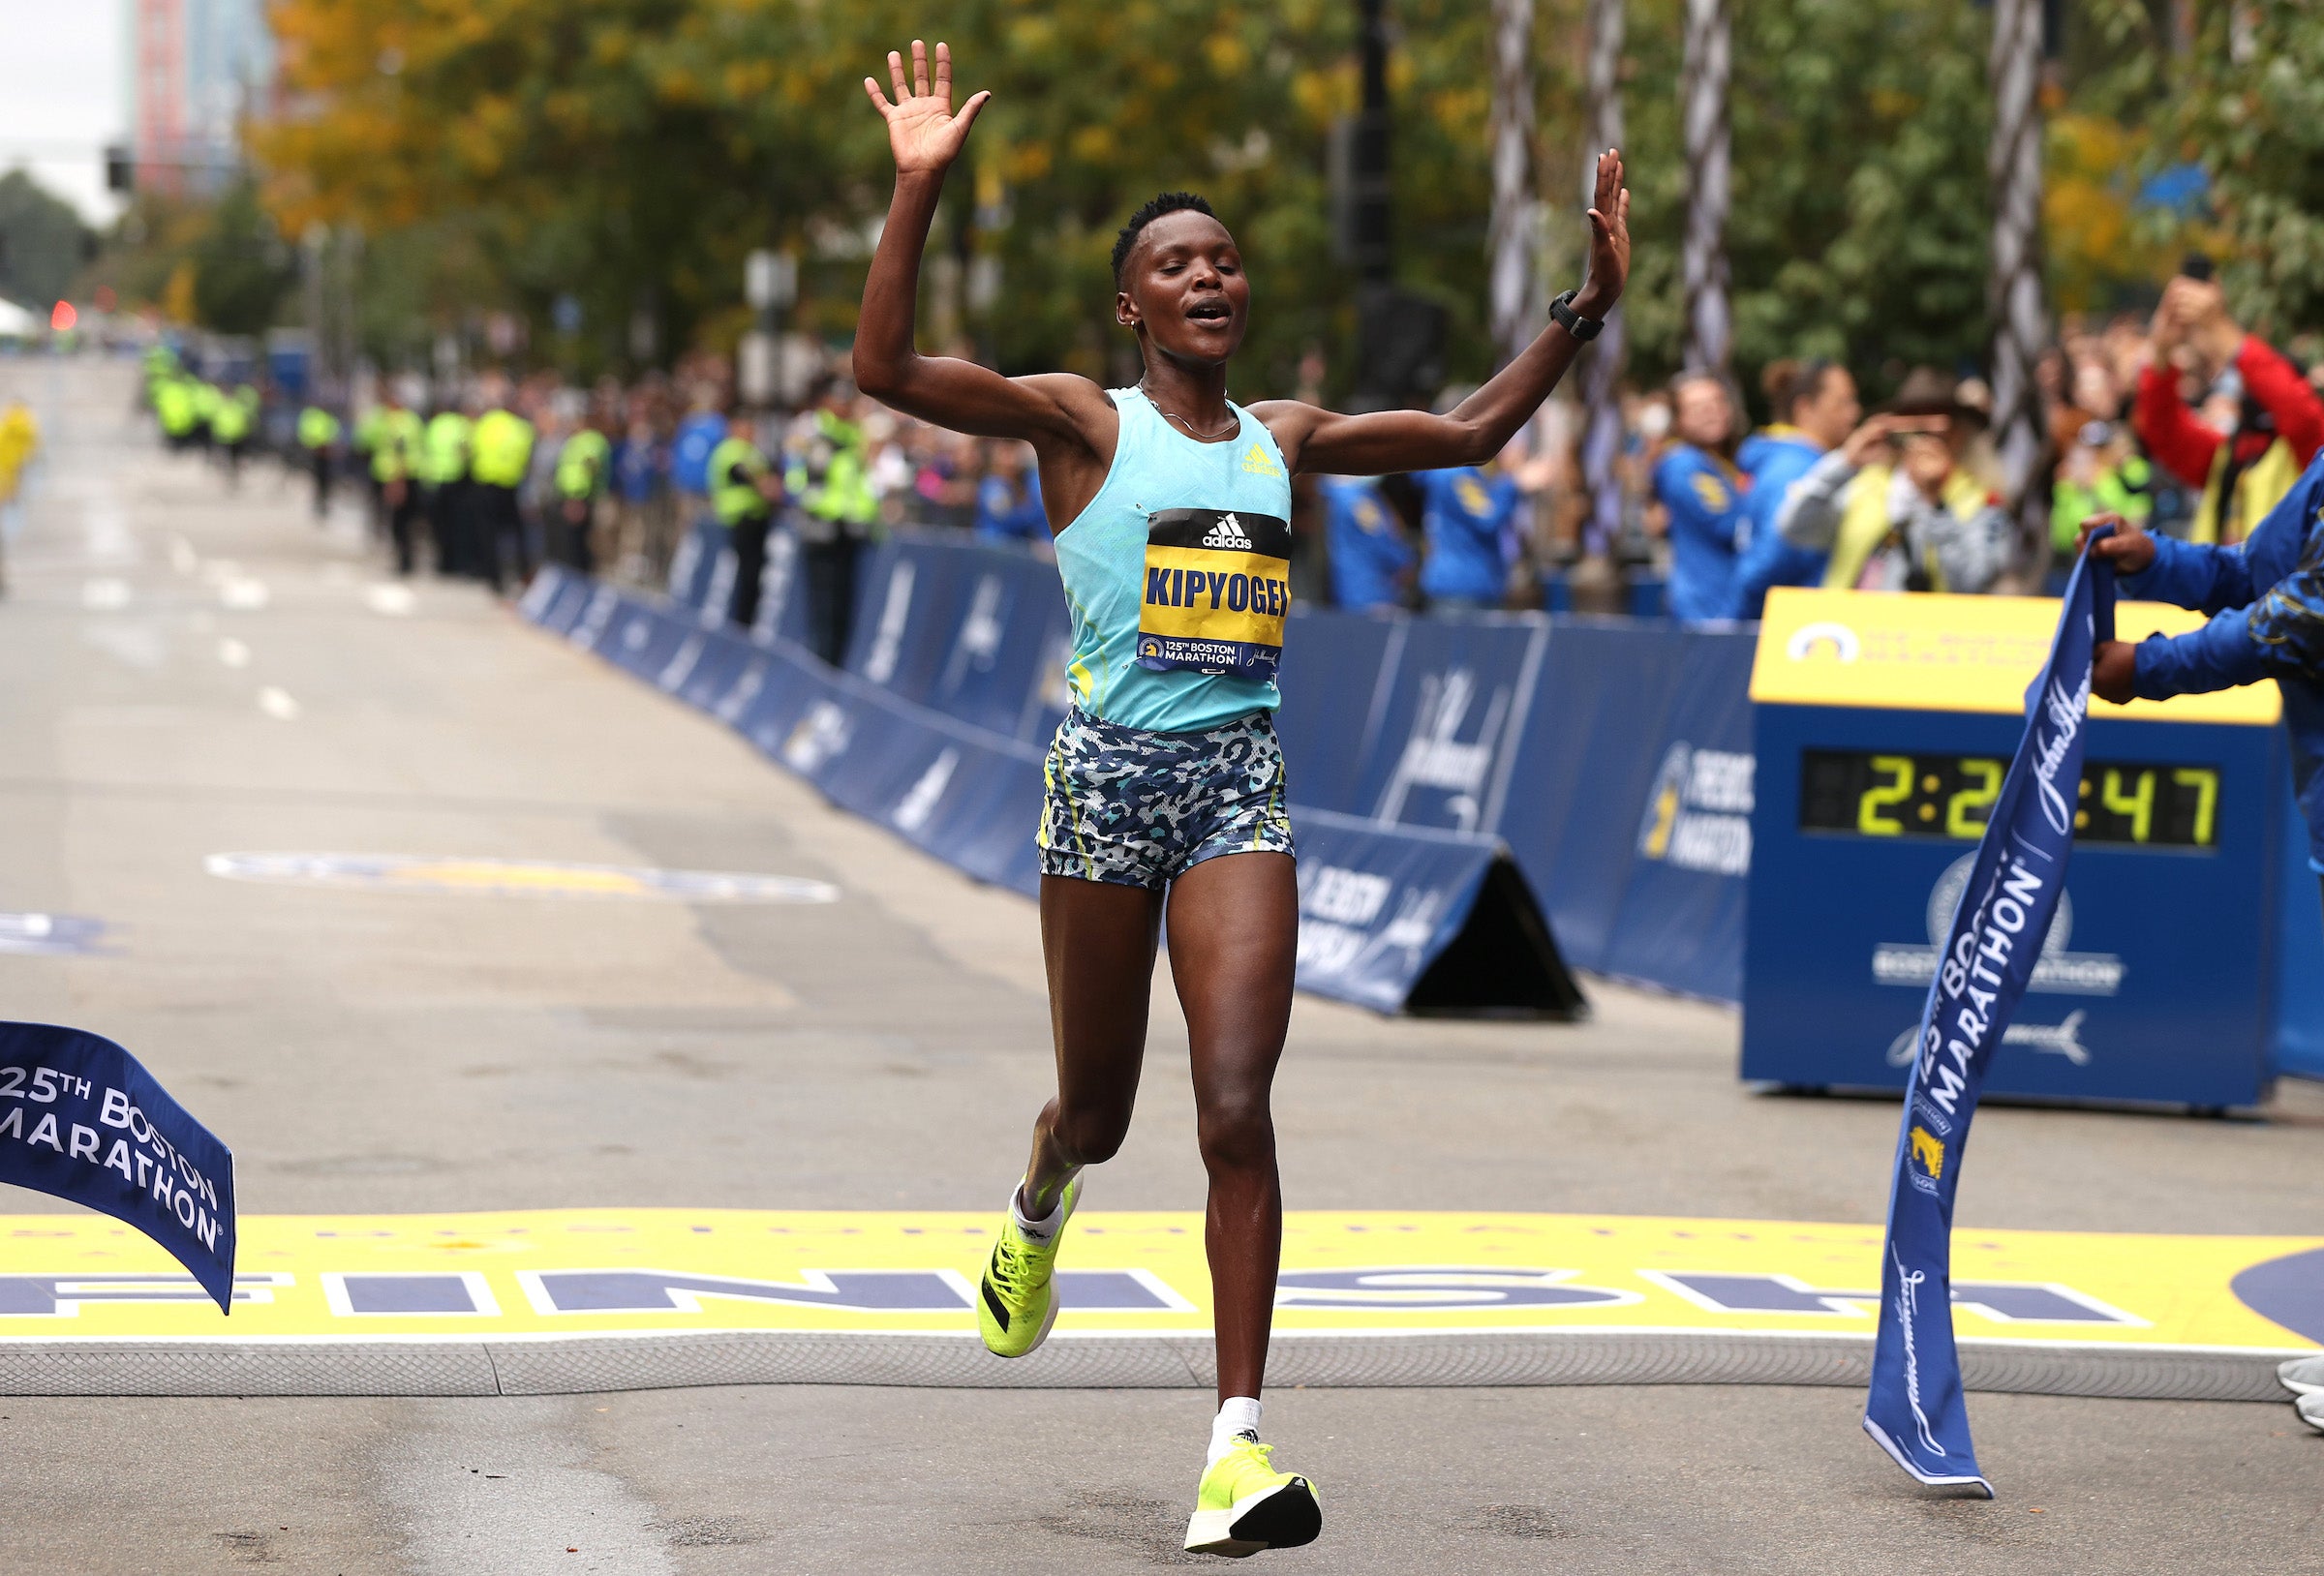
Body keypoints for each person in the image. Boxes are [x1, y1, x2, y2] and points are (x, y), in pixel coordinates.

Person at [852, 40, 1628, 1557]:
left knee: (1234, 1103)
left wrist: (1581, 312)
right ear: (1131, 306)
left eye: (1224, 262)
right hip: (1106, 788)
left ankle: (1235, 1448)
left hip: (1235, 788)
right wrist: (918, 193)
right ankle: (1036, 1202)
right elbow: (884, 371)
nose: (1209, 279)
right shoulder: (1081, 423)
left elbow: (1470, 433)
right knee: (1100, 1111)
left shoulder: (1288, 439)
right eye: (1176, 265)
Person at [1774, 368, 2011, 594]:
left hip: (1932, 633)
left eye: (1935, 422)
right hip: (1850, 630)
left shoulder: (1980, 500)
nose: (1922, 434)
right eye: (1913, 419)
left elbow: (1974, 583)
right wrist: (1846, 462)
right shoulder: (1864, 486)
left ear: (1960, 432)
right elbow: (1793, 529)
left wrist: (1936, 503)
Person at [2131, 273, 2324, 546]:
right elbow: (2163, 431)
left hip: (2286, 588)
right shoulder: (2229, 453)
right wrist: (2161, 353)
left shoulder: (2310, 453)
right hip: (2226, 586)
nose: (2248, 391)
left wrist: (2219, 329)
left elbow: (2296, 410)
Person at [1731, 359, 1892, 618]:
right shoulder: (1797, 468)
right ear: (1805, 408)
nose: (1854, 413)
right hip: (1787, 627)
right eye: (1843, 402)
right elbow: (1775, 555)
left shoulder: (1784, 460)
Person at [786, 384, 882, 664]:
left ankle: (835, 665)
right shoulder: (813, 437)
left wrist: (867, 517)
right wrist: (828, 509)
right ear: (826, 402)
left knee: (844, 604)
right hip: (821, 530)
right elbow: (798, 483)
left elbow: (861, 486)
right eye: (838, 400)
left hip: (849, 532)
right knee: (822, 603)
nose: (844, 406)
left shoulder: (855, 437)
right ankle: (821, 663)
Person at [1652, 373, 1748, 623]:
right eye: (1697, 408)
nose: (1711, 412)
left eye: (1717, 403)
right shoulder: (1683, 463)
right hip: (1705, 607)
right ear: (1679, 420)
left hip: (1722, 600)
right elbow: (1728, 525)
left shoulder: (1723, 464)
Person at [708, 410, 780, 628]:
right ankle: (741, 624)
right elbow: (741, 473)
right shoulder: (731, 450)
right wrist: (766, 486)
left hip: (757, 517)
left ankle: (746, 622)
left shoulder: (751, 451)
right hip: (742, 518)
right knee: (747, 574)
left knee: (754, 575)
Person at [1414, 459, 1516, 612]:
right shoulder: (1455, 474)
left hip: (1465, 585)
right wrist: (1514, 485)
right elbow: (1487, 518)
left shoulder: (1454, 473)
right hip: (1461, 588)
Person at [470, 385, 535, 592]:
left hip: (486, 483)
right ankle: (523, 575)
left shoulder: (486, 423)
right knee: (517, 534)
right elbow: (527, 458)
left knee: (488, 534)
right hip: (511, 485)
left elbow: (473, 449)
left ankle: (494, 578)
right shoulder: (522, 427)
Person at [1320, 473, 1413, 612]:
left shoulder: (1334, 494)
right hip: (1372, 589)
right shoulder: (1358, 500)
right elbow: (1381, 540)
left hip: (1347, 586)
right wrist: (1405, 561)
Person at [372, 388, 425, 575]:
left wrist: (397, 482)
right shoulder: (412, 421)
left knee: (400, 523)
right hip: (408, 475)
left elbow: (400, 451)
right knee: (406, 521)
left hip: (399, 477)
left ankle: (405, 561)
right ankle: (406, 560)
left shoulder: (398, 422)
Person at [552, 416, 612, 573]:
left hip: (579, 496)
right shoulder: (581, 440)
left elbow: (588, 468)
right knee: (574, 541)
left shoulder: (589, 441)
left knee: (577, 542)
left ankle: (580, 575)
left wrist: (576, 497)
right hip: (575, 495)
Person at [421, 399, 474, 576]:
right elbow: (466, 451)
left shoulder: (435, 424)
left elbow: (426, 450)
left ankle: (442, 562)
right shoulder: (462, 425)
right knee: (456, 525)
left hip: (435, 480)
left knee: (439, 525)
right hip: (456, 480)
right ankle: (455, 563)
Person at [973, 440, 1048, 544]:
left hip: (1024, 546)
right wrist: (1028, 512)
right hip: (995, 546)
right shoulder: (992, 487)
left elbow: (1041, 515)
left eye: (1013, 452)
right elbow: (1007, 521)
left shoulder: (1028, 480)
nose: (1010, 460)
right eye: (1004, 453)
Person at [296, 401, 340, 519]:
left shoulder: (331, 420)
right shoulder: (314, 418)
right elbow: (308, 436)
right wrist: (316, 446)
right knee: (318, 479)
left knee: (326, 480)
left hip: (327, 455)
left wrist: (331, 448)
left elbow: (334, 437)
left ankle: (324, 501)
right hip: (317, 454)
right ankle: (318, 501)